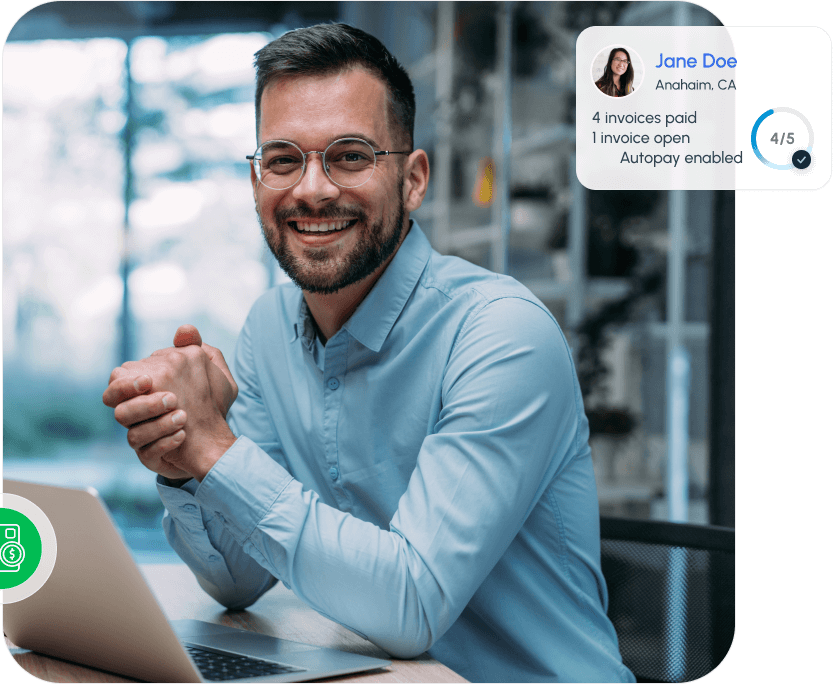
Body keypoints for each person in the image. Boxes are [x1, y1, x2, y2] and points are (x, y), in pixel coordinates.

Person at [103, 23, 634, 683]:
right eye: (283, 159)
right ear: (255, 180)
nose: (312, 189)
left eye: (349, 155)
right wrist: (185, 462)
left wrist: (218, 452)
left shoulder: (500, 334)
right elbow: (239, 581)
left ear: (412, 180)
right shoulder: (269, 328)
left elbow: (409, 606)